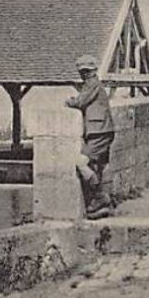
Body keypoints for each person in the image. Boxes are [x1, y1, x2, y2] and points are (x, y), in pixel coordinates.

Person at [65, 54, 114, 219]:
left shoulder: (93, 84)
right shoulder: (92, 84)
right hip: (98, 130)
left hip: (99, 130)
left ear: (93, 71)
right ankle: (99, 204)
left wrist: (68, 102)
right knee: (94, 167)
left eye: (86, 71)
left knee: (80, 162)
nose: (84, 74)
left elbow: (81, 101)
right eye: (82, 71)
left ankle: (101, 197)